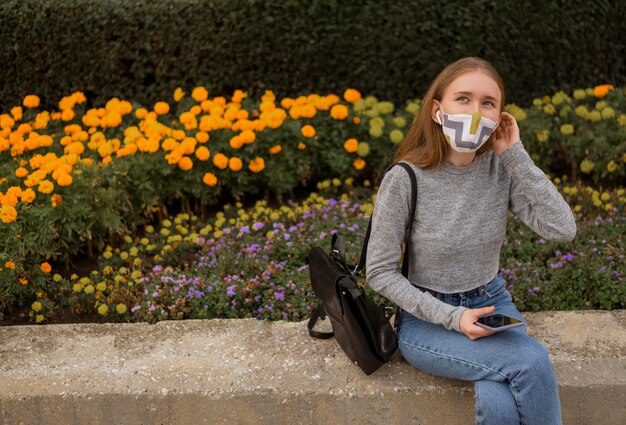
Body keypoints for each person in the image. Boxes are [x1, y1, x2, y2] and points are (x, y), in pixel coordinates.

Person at [365, 57, 576, 425]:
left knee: (499, 402)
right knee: (531, 362)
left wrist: (515, 155)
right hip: (426, 317)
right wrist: (453, 317)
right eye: (463, 98)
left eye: (487, 103)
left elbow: (562, 228)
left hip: (492, 303)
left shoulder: (501, 168)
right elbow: (379, 272)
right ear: (437, 110)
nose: (475, 111)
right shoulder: (405, 178)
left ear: (499, 117)